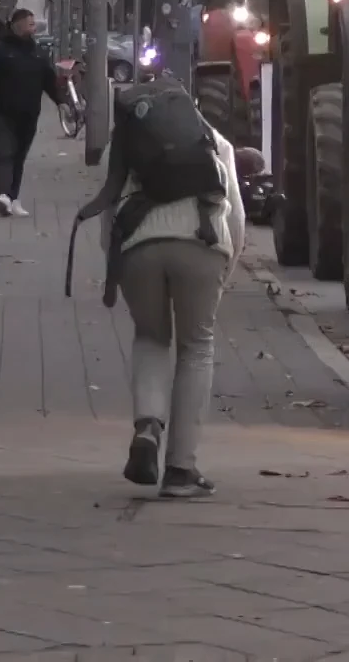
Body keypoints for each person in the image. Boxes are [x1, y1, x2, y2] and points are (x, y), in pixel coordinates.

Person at [78, 92, 245, 498]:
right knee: (196, 347)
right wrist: (226, 267)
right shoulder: (214, 140)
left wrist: (117, 264)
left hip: (138, 247)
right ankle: (181, 470)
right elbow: (236, 213)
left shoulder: (124, 147)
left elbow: (109, 213)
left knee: (150, 336)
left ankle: (148, 427)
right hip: (202, 242)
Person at [0, 8, 61, 217]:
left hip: (29, 113)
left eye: (33, 23)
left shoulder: (37, 52)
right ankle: (3, 195)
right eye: (30, 23)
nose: (34, 27)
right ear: (16, 25)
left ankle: (13, 197)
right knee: (4, 152)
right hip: (0, 112)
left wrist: (61, 102)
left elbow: (48, 80)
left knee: (19, 156)